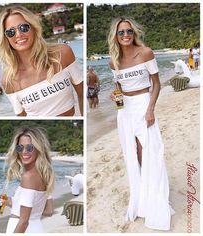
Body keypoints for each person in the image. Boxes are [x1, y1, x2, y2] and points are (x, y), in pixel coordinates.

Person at [107, 17, 174, 230]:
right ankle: (142, 196)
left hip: (144, 103)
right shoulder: (113, 61)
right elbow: (118, 87)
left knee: (151, 150)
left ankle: (155, 196)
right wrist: (115, 95)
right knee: (133, 153)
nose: (126, 35)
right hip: (124, 109)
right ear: (115, 37)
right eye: (121, 33)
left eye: (128, 32)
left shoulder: (145, 53)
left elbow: (156, 83)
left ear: (133, 33)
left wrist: (150, 109)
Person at [0, 5, 83, 116]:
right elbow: (23, 119)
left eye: (23, 27)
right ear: (6, 38)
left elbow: (82, 94)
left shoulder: (63, 53)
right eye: (10, 32)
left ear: (34, 28)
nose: (18, 34)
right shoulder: (9, 81)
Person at [2, 127, 55, 233]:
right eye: (20, 148)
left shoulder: (29, 177)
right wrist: (13, 203)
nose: (24, 152)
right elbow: (48, 211)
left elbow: (23, 222)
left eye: (30, 148)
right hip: (36, 228)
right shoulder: (45, 176)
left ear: (39, 149)